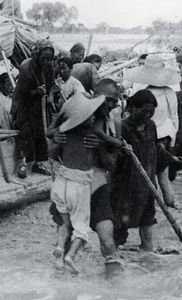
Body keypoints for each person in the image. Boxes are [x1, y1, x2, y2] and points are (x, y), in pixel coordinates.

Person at [111, 89, 182, 251]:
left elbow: (156, 150)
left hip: (147, 188)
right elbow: (111, 157)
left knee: (147, 230)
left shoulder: (151, 126)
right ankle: (114, 266)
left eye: (151, 111)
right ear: (133, 107)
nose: (148, 115)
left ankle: (147, 264)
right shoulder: (123, 128)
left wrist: (175, 159)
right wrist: (122, 152)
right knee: (119, 231)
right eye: (144, 110)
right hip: (125, 188)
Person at [48, 93, 106, 274]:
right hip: (78, 185)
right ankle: (70, 255)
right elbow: (112, 144)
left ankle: (59, 247)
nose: (95, 117)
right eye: (91, 115)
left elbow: (51, 154)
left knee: (65, 223)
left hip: (60, 183)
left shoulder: (63, 134)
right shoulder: (92, 134)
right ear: (82, 120)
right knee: (81, 226)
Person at [124, 55, 181, 207]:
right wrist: (175, 135)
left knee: (152, 169)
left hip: (151, 133)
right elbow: (174, 116)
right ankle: (168, 199)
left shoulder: (142, 91)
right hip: (165, 132)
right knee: (162, 171)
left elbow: (131, 111)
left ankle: (159, 199)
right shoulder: (169, 92)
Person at [11, 39, 55, 177]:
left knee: (41, 132)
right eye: (44, 59)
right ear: (36, 55)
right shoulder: (26, 67)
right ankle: (24, 162)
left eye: (49, 59)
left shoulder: (49, 67)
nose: (47, 62)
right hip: (25, 105)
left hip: (40, 105)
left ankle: (39, 163)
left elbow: (52, 85)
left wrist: (50, 94)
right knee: (27, 132)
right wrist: (36, 92)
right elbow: (22, 92)